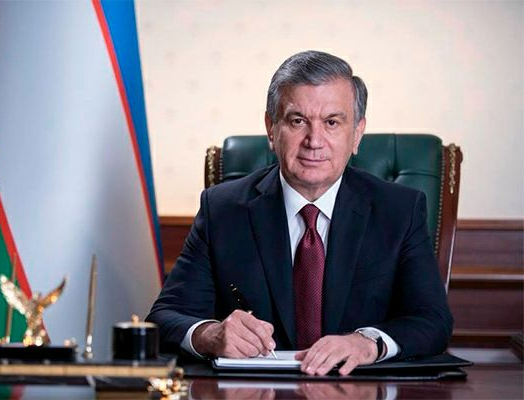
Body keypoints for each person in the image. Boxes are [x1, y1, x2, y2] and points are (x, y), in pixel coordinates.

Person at [147, 50, 453, 376]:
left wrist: (368, 343)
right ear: (271, 128)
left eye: (332, 122)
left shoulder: (399, 210)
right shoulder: (222, 209)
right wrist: (210, 334)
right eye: (297, 121)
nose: (314, 141)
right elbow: (165, 317)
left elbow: (432, 320)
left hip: (358, 389)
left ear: (357, 133)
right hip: (253, 392)